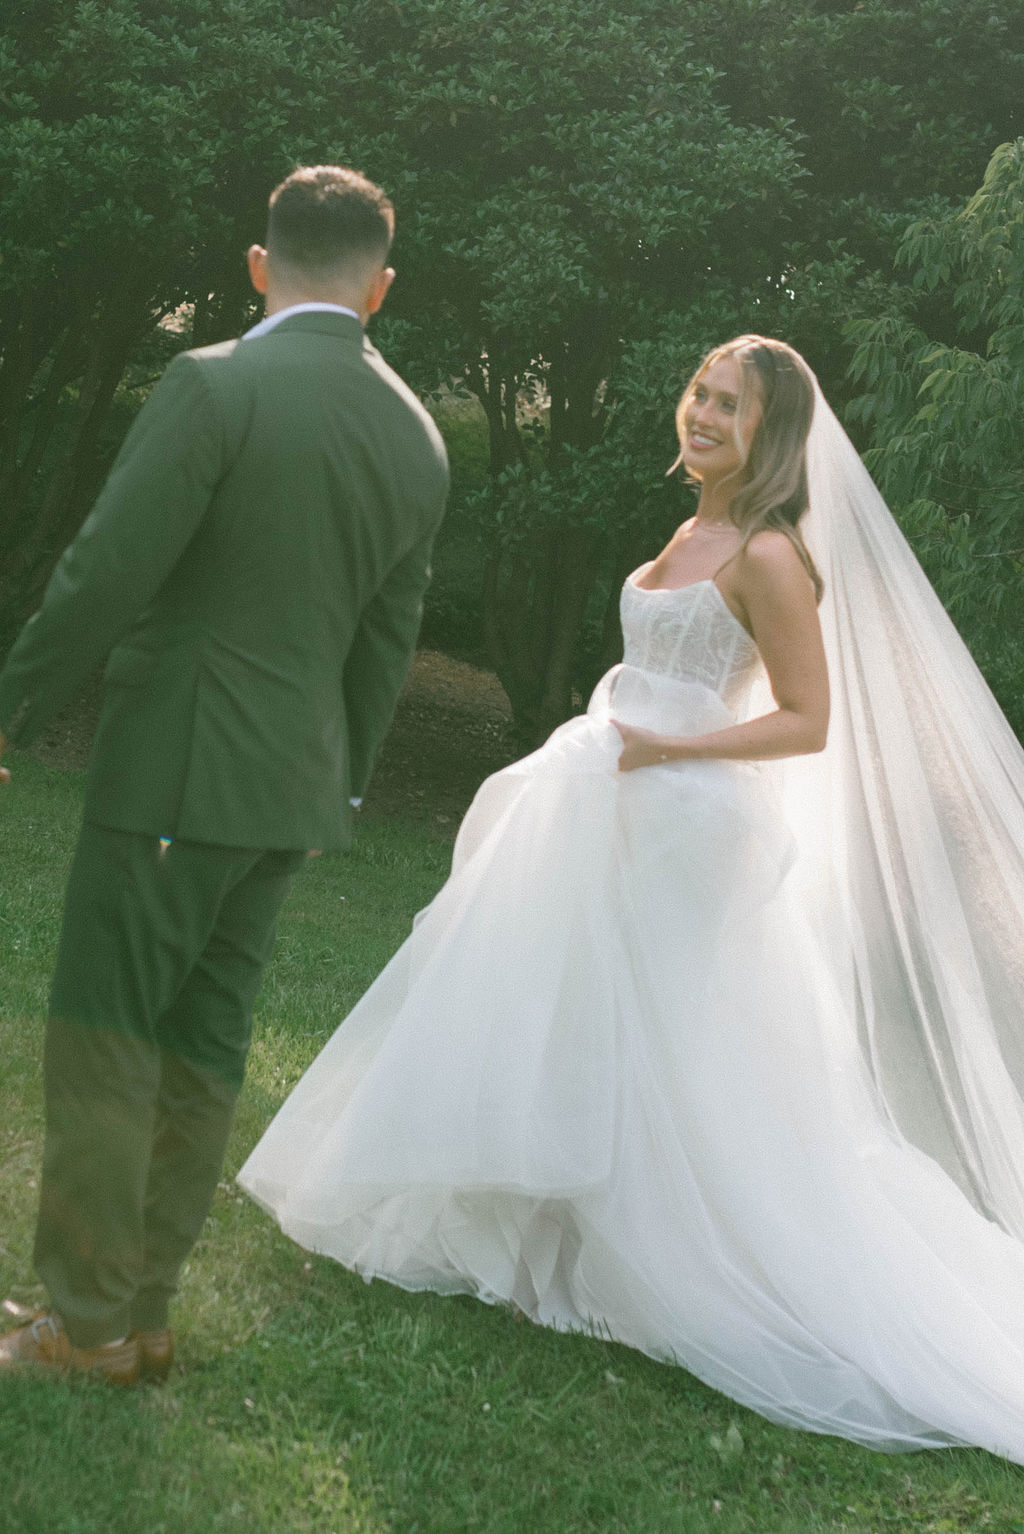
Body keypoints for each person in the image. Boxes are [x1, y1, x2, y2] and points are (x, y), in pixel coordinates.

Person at [240, 334, 1024, 1464]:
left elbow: (807, 717)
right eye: (698, 392)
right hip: (611, 798)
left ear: (772, 435)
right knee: (569, 1024)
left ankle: (630, 1261)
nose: (700, 413)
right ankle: (542, 1254)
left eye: (729, 406)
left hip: (684, 816)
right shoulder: (687, 529)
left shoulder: (767, 555)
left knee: (662, 1044)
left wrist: (669, 749)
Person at [0, 165, 449, 1385]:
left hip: (172, 776)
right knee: (202, 1051)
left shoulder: (214, 385)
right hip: (287, 801)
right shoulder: (416, 433)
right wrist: (339, 791)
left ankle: (81, 1326)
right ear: (380, 286)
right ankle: (139, 1310)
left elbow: (104, 573)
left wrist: (11, 706)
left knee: (107, 1039)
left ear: (260, 265)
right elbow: (384, 646)